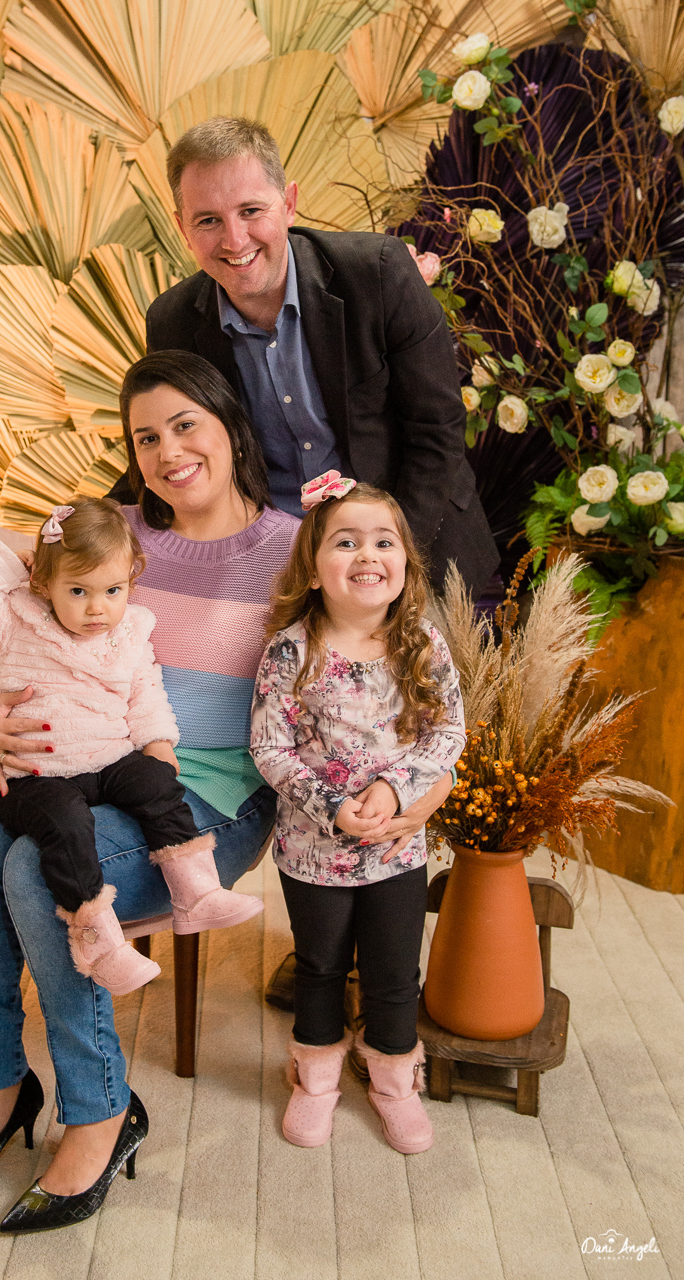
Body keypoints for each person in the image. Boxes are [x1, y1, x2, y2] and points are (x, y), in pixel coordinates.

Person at [0, 351, 452, 1236]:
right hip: (84, 763)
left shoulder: (295, 545)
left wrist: (424, 778)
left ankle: (99, 1111)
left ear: (231, 427)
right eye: (145, 437)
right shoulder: (109, 534)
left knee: (34, 875)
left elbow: (388, 641)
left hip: (213, 796)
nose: (167, 452)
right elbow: (17, 630)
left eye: (185, 425)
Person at [111, 115, 499, 598]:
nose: (234, 240)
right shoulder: (172, 321)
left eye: (251, 210)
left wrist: (386, 561)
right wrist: (74, 530)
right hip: (275, 572)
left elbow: (437, 431)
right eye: (208, 220)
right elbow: (166, 451)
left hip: (421, 549)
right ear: (183, 230)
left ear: (289, 203)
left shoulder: (378, 273)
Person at [0, 496, 263, 998]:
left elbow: (145, 692)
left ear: (131, 582)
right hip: (36, 776)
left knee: (155, 782)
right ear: (44, 585)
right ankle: (99, 943)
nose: (97, 608)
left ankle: (195, 891)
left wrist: (158, 742)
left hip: (107, 759)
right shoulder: (16, 620)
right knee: (67, 826)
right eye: (78, 591)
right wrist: (14, 562)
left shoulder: (131, 630)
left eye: (113, 590)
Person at [251, 473, 466, 1154]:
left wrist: (398, 791)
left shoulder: (422, 643)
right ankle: (315, 1078)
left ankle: (395, 1081)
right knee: (318, 966)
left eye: (383, 542)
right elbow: (269, 746)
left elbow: (447, 733)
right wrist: (333, 806)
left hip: (397, 849)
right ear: (314, 568)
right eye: (345, 542)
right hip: (313, 849)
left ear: (405, 562)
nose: (367, 554)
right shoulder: (291, 649)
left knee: (394, 972)